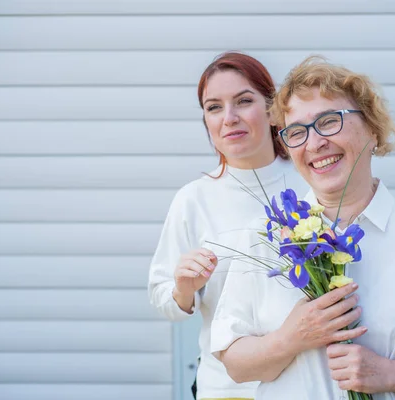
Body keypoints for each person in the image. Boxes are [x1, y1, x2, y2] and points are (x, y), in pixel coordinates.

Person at [211, 56, 395, 399]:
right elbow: (235, 363)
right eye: (296, 132)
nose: (313, 144)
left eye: (328, 122)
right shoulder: (266, 236)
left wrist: (390, 374)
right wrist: (291, 338)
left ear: (372, 128)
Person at [148, 52, 308, 400]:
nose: (229, 118)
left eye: (243, 101)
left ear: (272, 109)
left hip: (309, 385)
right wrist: (184, 288)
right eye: (214, 107)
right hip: (226, 389)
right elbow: (164, 298)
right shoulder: (194, 199)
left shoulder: (311, 184)